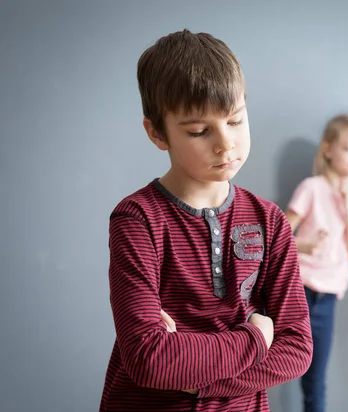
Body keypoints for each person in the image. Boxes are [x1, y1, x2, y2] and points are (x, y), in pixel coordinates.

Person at [99, 29, 313, 412]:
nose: (225, 144)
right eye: (199, 130)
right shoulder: (137, 220)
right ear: (157, 133)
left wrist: (198, 380)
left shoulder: (270, 221)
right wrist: (256, 338)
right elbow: (150, 359)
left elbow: (296, 347)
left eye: (235, 121)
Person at [285, 114, 348, 412]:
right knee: (267, 362)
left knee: (315, 378)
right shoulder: (312, 187)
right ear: (328, 149)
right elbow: (280, 236)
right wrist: (306, 245)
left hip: (327, 301)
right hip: (295, 290)